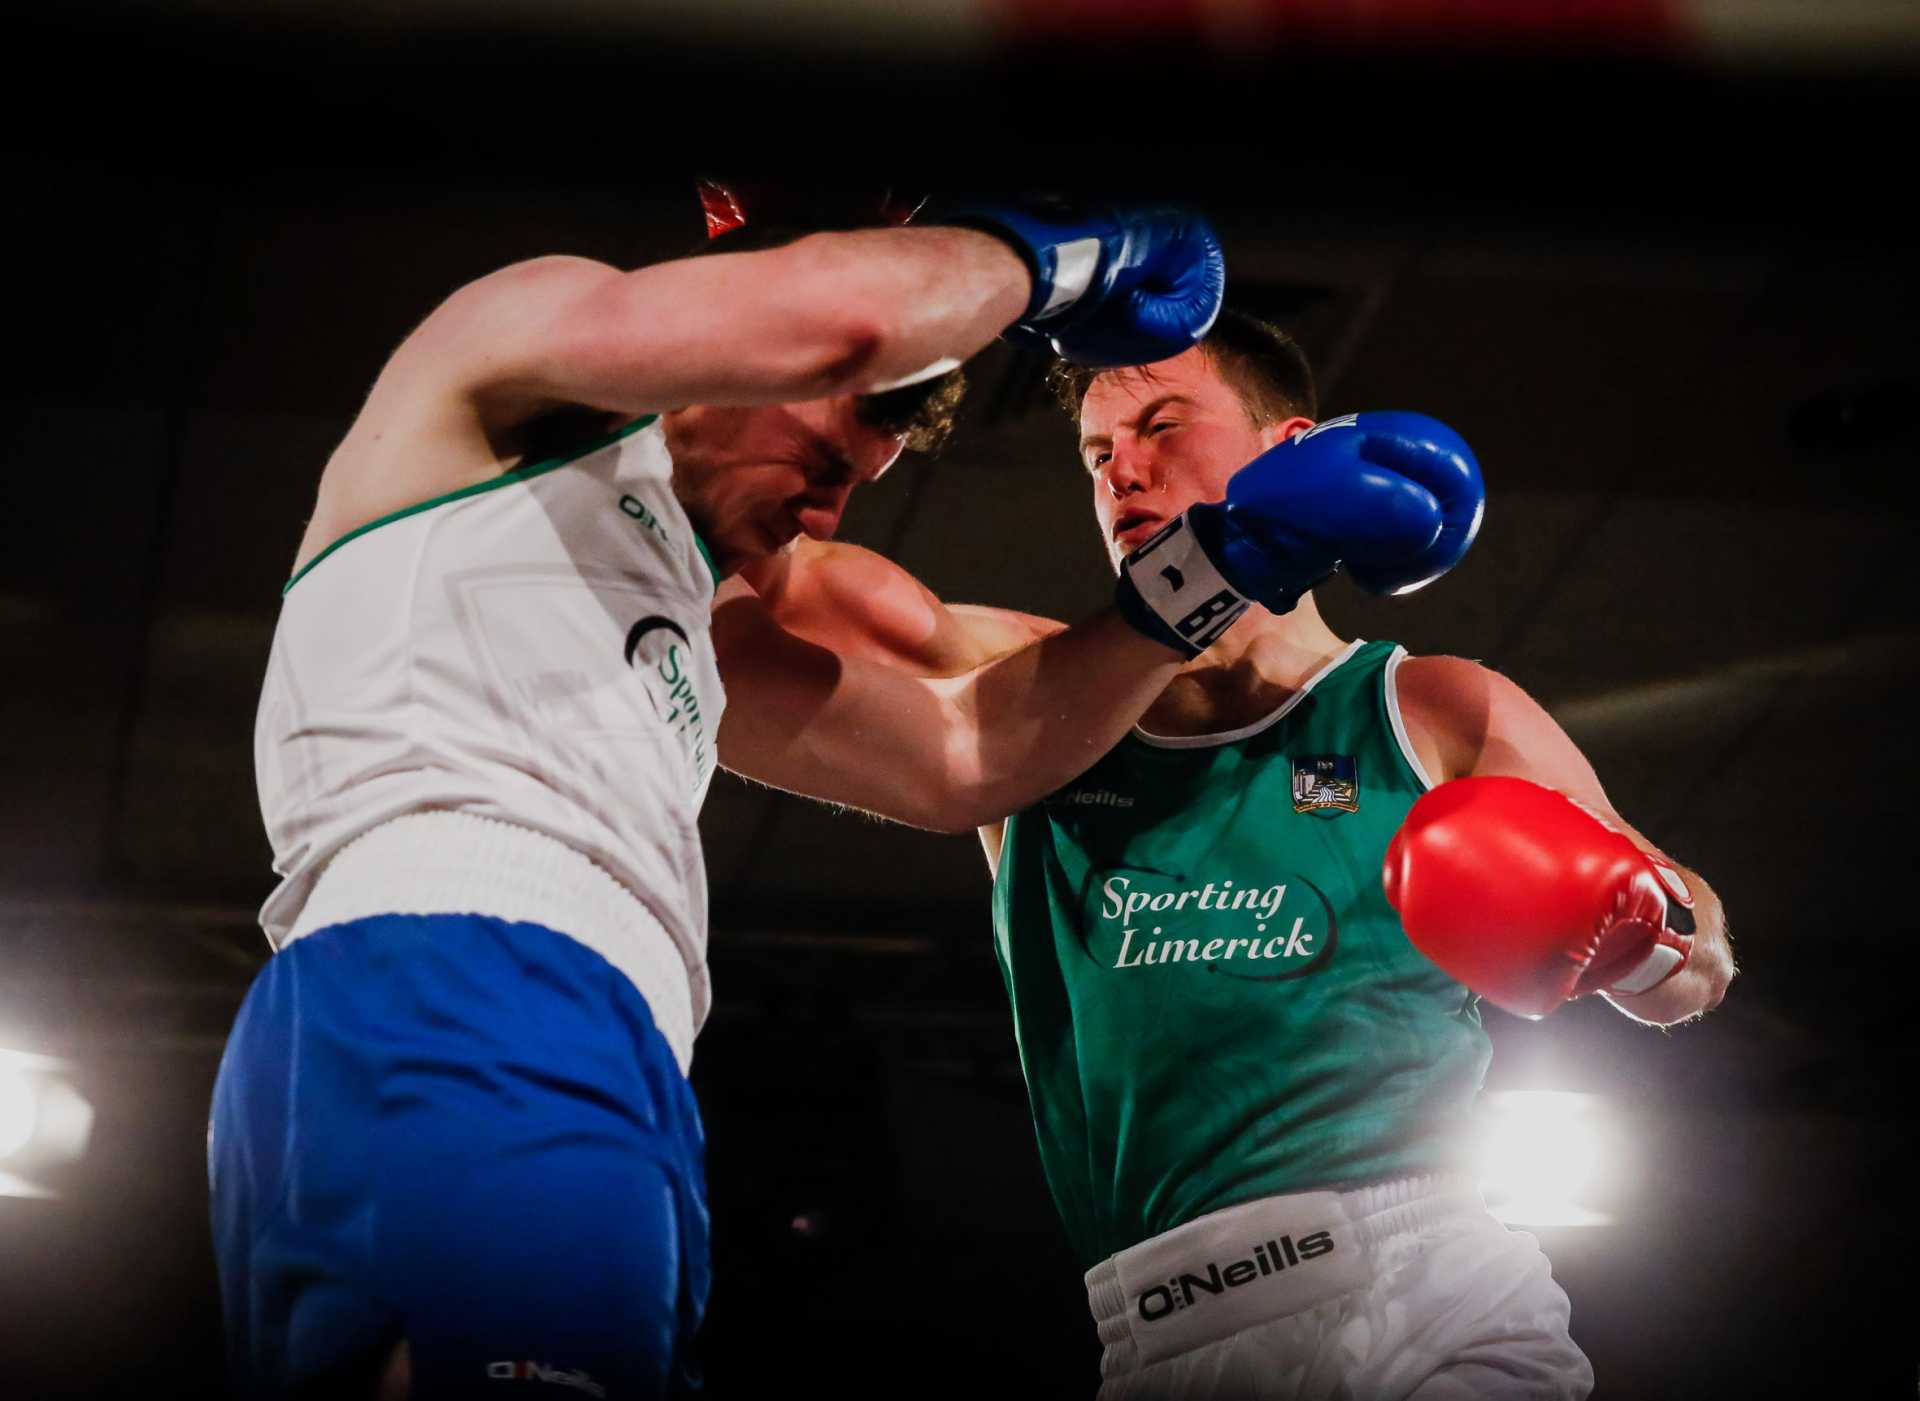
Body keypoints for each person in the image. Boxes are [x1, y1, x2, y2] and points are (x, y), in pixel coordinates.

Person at [214, 195, 1265, 1400]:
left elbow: (962, 756)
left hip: (509, 1026)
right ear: (741, 351)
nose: (824, 514)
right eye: (822, 463)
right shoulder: (509, 361)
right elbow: (846, 316)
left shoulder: (695, 607)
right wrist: (1069, 266)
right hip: (482, 989)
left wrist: (1221, 571)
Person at [712, 308, 1736, 1399]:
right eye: (1097, 453)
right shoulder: (1020, 698)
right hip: (1156, 1334)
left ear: (1289, 450)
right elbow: (762, 574)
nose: (1123, 471)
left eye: (1162, 426)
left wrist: (1641, 943)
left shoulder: (1429, 710)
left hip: (1430, 1288)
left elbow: (1700, 954)